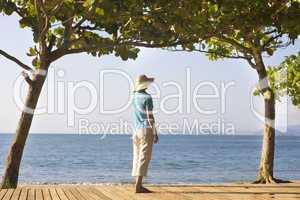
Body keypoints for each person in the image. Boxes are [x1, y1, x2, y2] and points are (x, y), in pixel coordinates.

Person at [132, 74, 159, 193]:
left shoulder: (134, 96)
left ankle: (137, 184)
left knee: (137, 156)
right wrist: (155, 132)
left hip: (136, 130)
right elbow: (150, 116)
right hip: (145, 129)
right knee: (144, 157)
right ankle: (138, 186)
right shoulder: (147, 98)